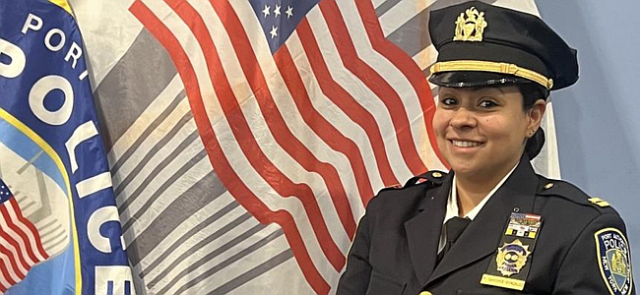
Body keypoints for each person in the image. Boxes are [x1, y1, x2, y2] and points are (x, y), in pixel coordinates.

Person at [336, 2, 634, 295]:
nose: (461, 120)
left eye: (487, 104)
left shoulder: (577, 230)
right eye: (450, 101)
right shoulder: (388, 215)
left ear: (533, 117)